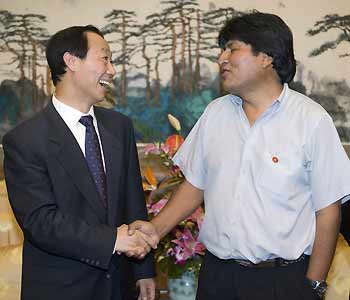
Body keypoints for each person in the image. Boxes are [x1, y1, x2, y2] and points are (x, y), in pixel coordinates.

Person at [130, 12, 350, 300]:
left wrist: (314, 284)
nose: (222, 58)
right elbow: (196, 185)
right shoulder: (215, 113)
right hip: (217, 276)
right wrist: (154, 230)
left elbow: (328, 210)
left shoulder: (311, 120)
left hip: (282, 281)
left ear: (266, 57)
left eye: (232, 49)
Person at [3, 25, 157, 300]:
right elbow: (40, 221)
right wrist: (113, 240)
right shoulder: (25, 140)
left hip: (118, 286)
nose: (112, 70)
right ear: (71, 61)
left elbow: (133, 201)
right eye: (104, 58)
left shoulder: (119, 126)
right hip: (61, 288)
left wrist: (144, 270)